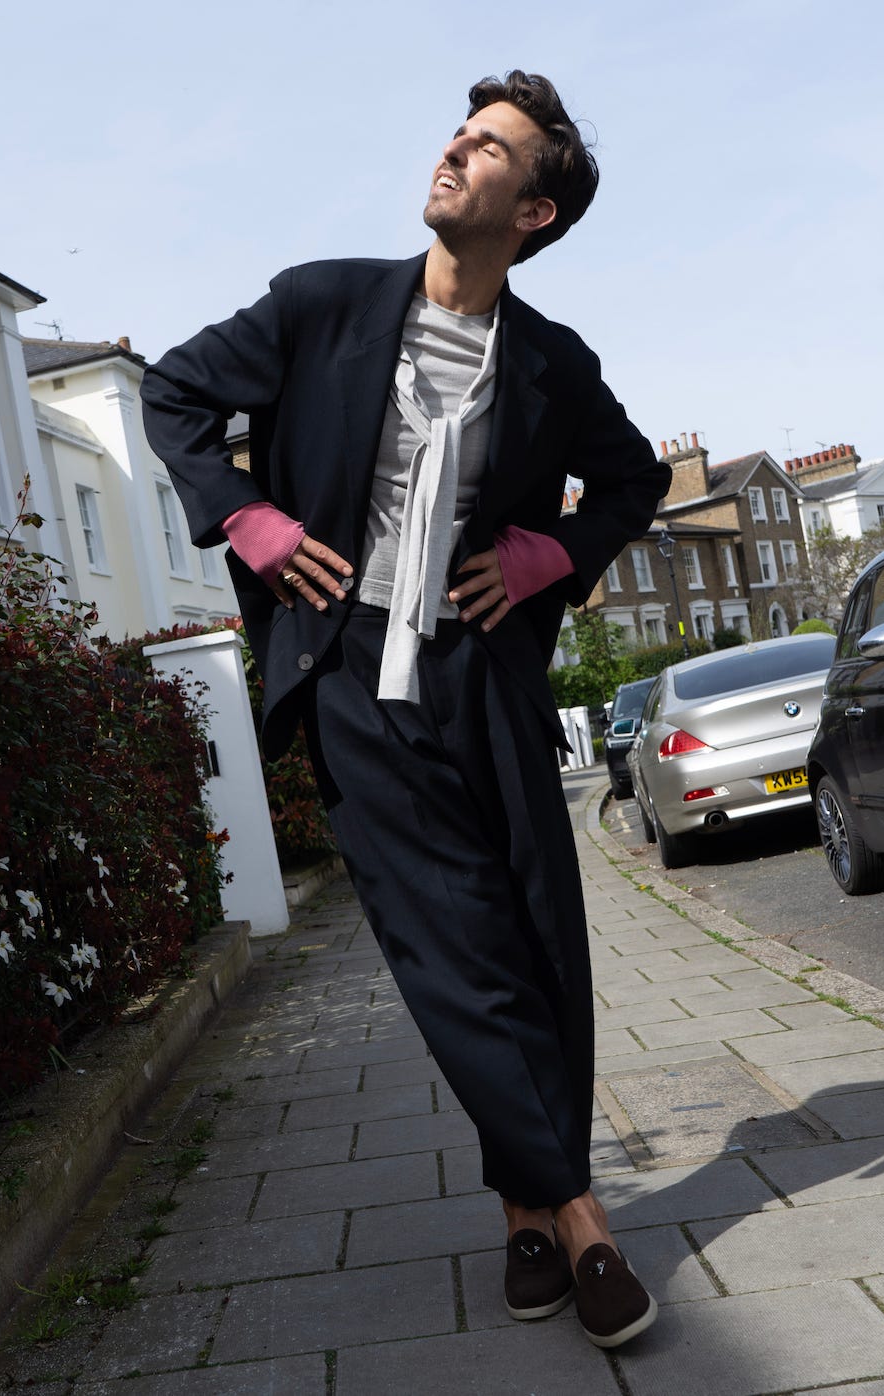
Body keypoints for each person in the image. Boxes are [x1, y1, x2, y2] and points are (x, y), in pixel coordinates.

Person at [141, 69, 670, 1348]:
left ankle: (523, 1217)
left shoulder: (550, 364)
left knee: (534, 938)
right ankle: (583, 1213)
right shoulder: (321, 303)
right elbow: (174, 392)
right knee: (453, 947)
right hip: (350, 674)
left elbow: (635, 479)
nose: (456, 151)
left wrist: (547, 555)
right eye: (461, 133)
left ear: (533, 213)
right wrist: (251, 519)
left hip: (481, 674)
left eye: (490, 149)